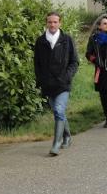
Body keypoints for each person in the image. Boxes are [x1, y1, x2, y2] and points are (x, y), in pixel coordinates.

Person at [34, 11, 79, 156]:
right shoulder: (40, 41)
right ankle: (67, 136)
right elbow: (37, 64)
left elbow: (75, 62)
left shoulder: (67, 40)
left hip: (63, 84)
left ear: (60, 23)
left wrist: (67, 76)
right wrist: (41, 80)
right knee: (57, 112)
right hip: (48, 84)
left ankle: (56, 143)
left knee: (59, 110)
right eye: (50, 22)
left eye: (55, 22)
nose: (52, 24)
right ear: (46, 23)